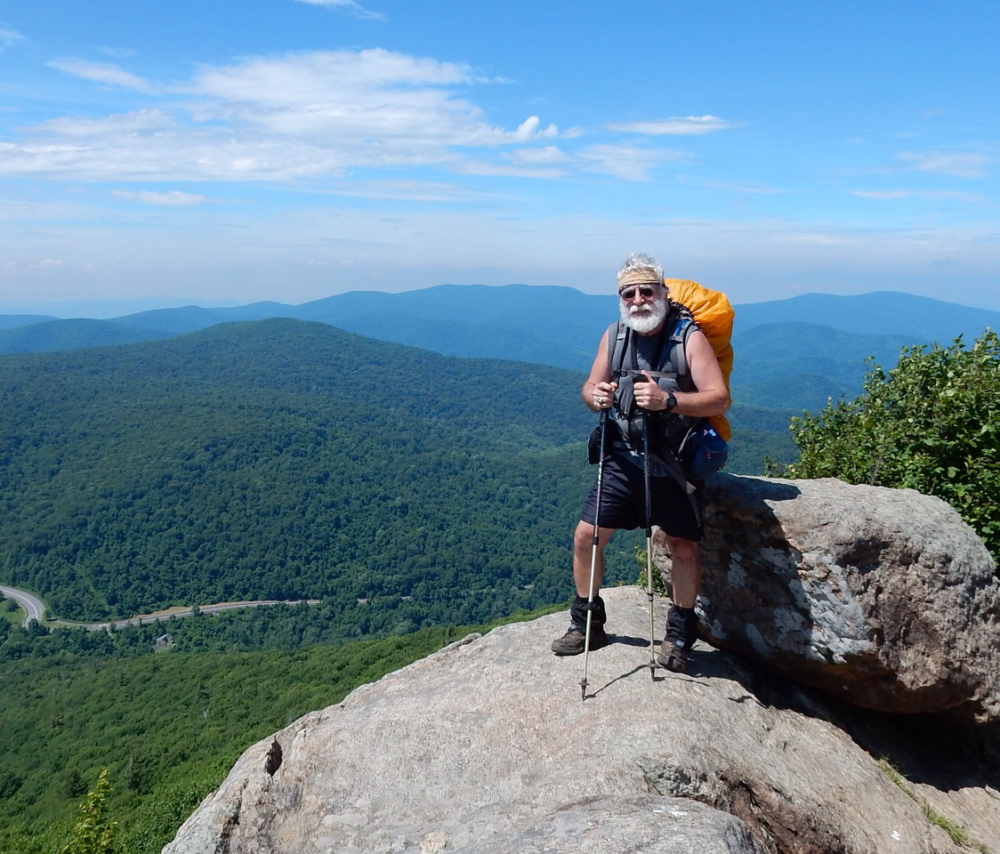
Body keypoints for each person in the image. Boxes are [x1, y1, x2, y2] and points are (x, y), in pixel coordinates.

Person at [551, 252, 731, 672]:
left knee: (682, 545)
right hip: (622, 456)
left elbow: (719, 398)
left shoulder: (688, 339)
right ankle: (587, 623)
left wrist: (669, 400)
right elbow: (590, 385)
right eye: (628, 293)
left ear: (663, 293)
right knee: (587, 536)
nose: (637, 300)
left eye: (646, 291)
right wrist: (595, 395)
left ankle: (678, 635)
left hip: (672, 463)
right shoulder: (615, 336)